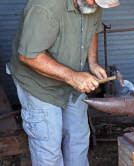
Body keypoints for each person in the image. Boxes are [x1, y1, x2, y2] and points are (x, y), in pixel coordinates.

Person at [6, 0, 120, 165]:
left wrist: (92, 62)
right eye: (95, 1)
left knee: (79, 138)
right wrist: (73, 77)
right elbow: (28, 55)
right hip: (39, 84)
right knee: (49, 148)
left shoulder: (93, 4)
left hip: (72, 80)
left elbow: (93, 29)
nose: (96, 5)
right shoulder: (44, 7)